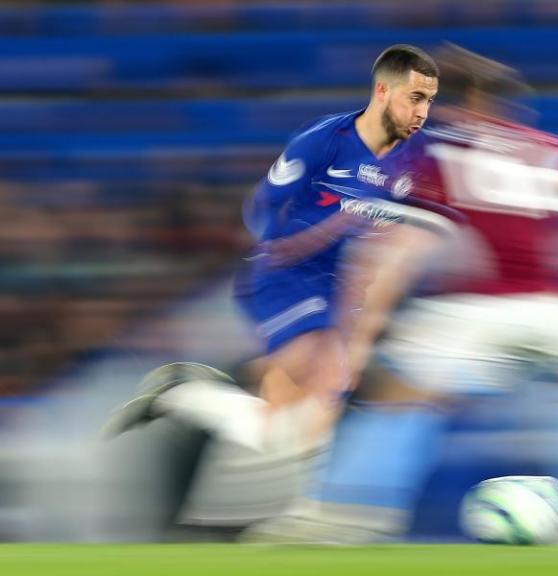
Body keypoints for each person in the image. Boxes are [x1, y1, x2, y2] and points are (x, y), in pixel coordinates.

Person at [241, 45, 558, 544]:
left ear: (461, 105)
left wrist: (356, 343)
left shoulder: (433, 153)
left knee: (402, 394)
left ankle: (348, 512)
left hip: (476, 311)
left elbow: (398, 253)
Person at [102, 45, 439, 483]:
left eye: (429, 100)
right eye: (415, 98)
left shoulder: (405, 167)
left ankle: (184, 394)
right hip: (286, 276)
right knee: (310, 378)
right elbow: (263, 206)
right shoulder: (326, 140)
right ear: (382, 91)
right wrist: (301, 239)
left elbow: (390, 235)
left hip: (337, 288)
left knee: (298, 427)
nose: (423, 112)